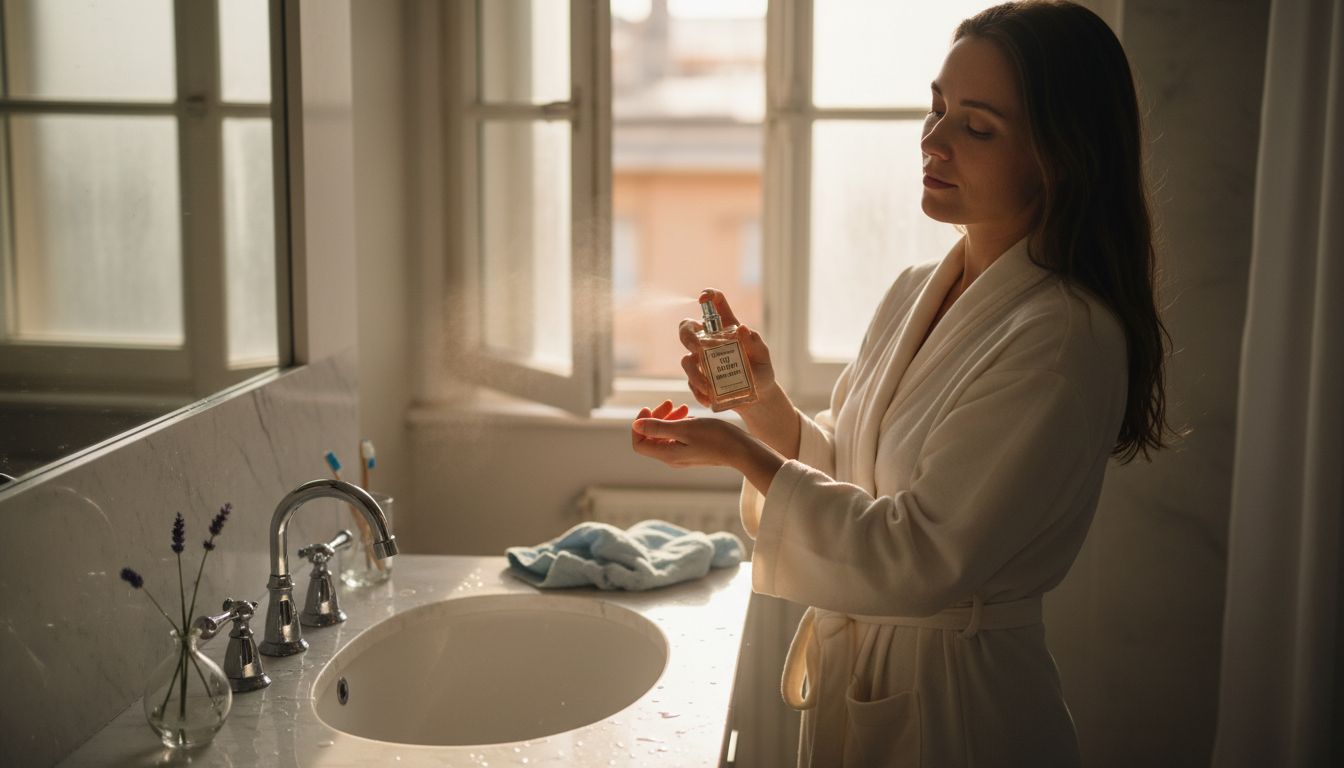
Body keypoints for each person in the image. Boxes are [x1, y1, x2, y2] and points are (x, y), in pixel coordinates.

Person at [630, 2, 1174, 766]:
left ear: (1060, 156)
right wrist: (762, 407)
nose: (933, 139)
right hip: (874, 675)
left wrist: (739, 455)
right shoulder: (917, 288)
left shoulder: (1062, 337)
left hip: (962, 710)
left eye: (976, 127)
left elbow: (916, 556)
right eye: (937, 107)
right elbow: (856, 478)